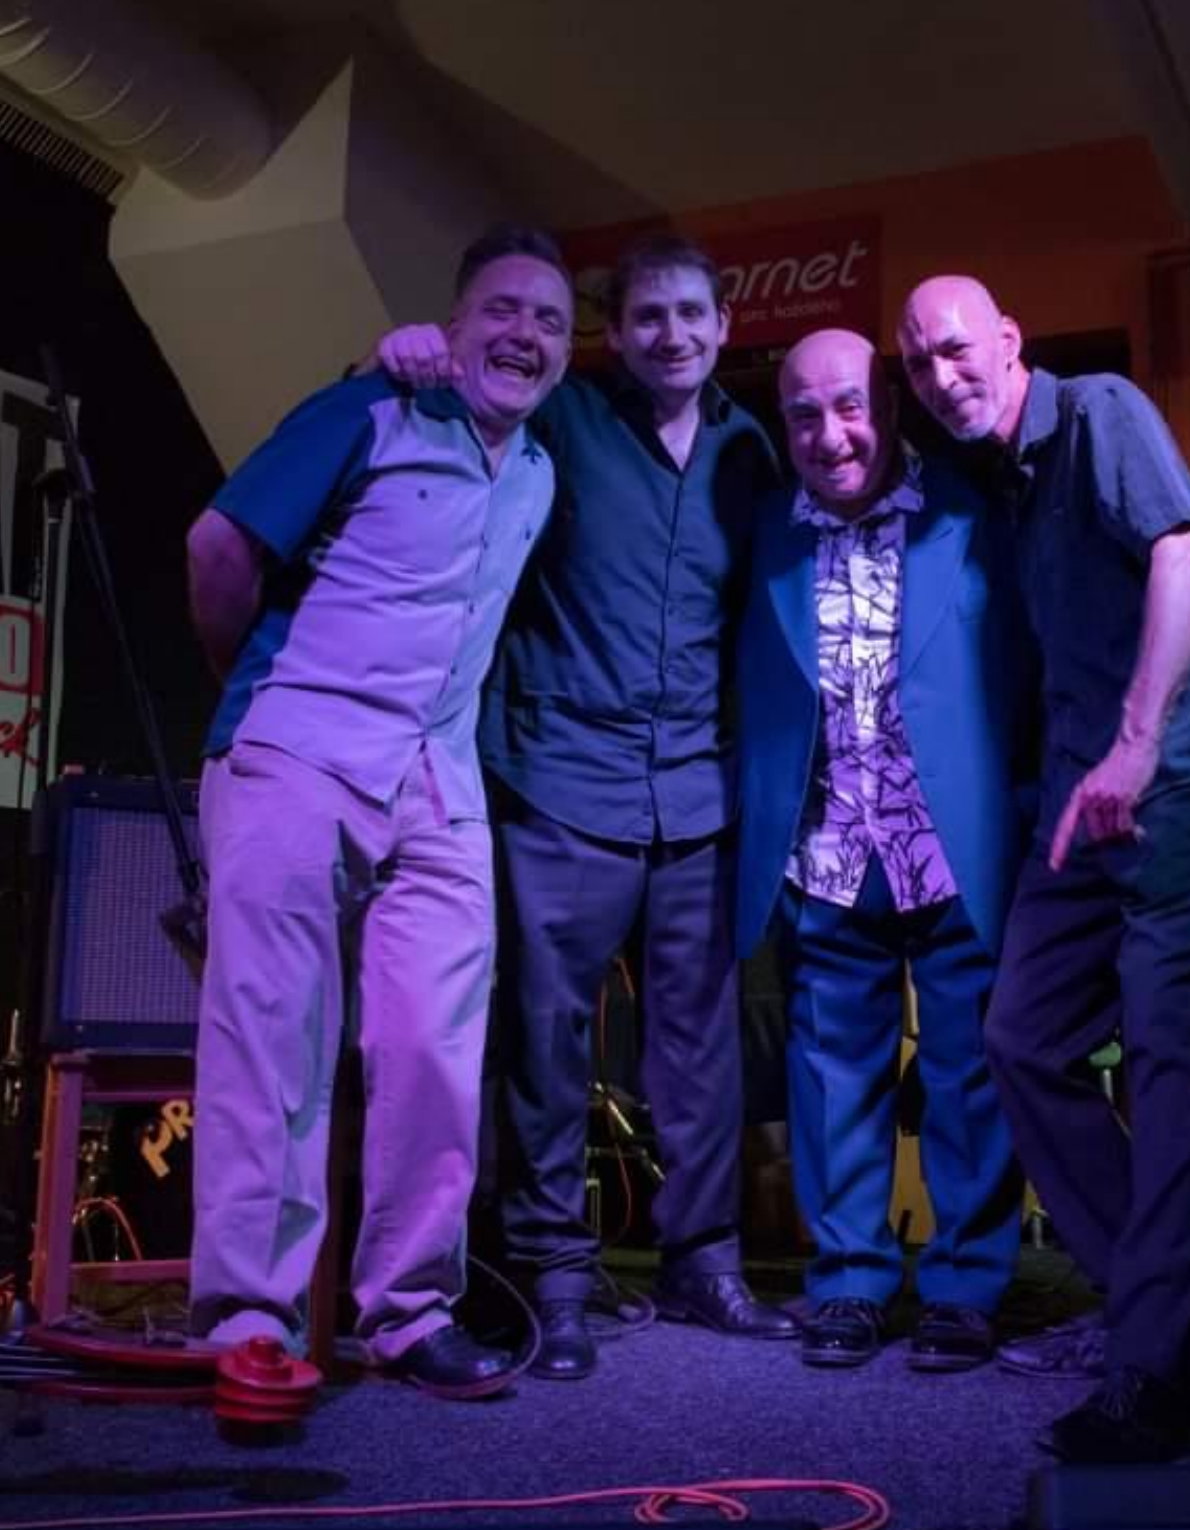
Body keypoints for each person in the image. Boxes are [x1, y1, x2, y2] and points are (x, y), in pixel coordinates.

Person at [373, 232, 796, 1381]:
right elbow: (448, 420)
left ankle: (703, 1262)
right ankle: (555, 1278)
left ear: (723, 327)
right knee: (547, 1045)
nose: (672, 335)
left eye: (692, 315)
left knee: (700, 1049)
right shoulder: (561, 418)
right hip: (558, 780)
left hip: (697, 794)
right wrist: (405, 356)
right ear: (617, 331)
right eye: (649, 315)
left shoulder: (749, 446)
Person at [183, 225, 574, 1395]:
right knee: (273, 1044)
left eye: (550, 321)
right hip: (301, 755)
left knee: (434, 1050)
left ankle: (408, 1312)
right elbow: (217, 547)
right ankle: (248, 1322)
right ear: (453, 328)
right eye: (503, 309)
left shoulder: (539, 472)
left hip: (438, 783)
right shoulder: (369, 410)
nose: (526, 333)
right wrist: (264, 705)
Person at [897, 275, 1190, 1463]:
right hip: (1078, 798)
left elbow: (1184, 561)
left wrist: (1138, 742)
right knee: (1021, 1037)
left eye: (956, 349)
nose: (940, 376)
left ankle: (1151, 1370)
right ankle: (1161, 1301)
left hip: (1168, 782)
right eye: (919, 364)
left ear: (1009, 341)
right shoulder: (998, 483)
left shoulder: (1098, 409)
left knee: (1161, 1047)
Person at [735, 329, 1031, 1371]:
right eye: (804, 415)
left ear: (892, 406)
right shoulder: (763, 530)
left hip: (955, 847)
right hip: (825, 852)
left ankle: (964, 1287)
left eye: (851, 406)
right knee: (832, 1081)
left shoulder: (973, 506)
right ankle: (850, 1280)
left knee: (968, 1077)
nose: (831, 435)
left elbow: (1041, 649)